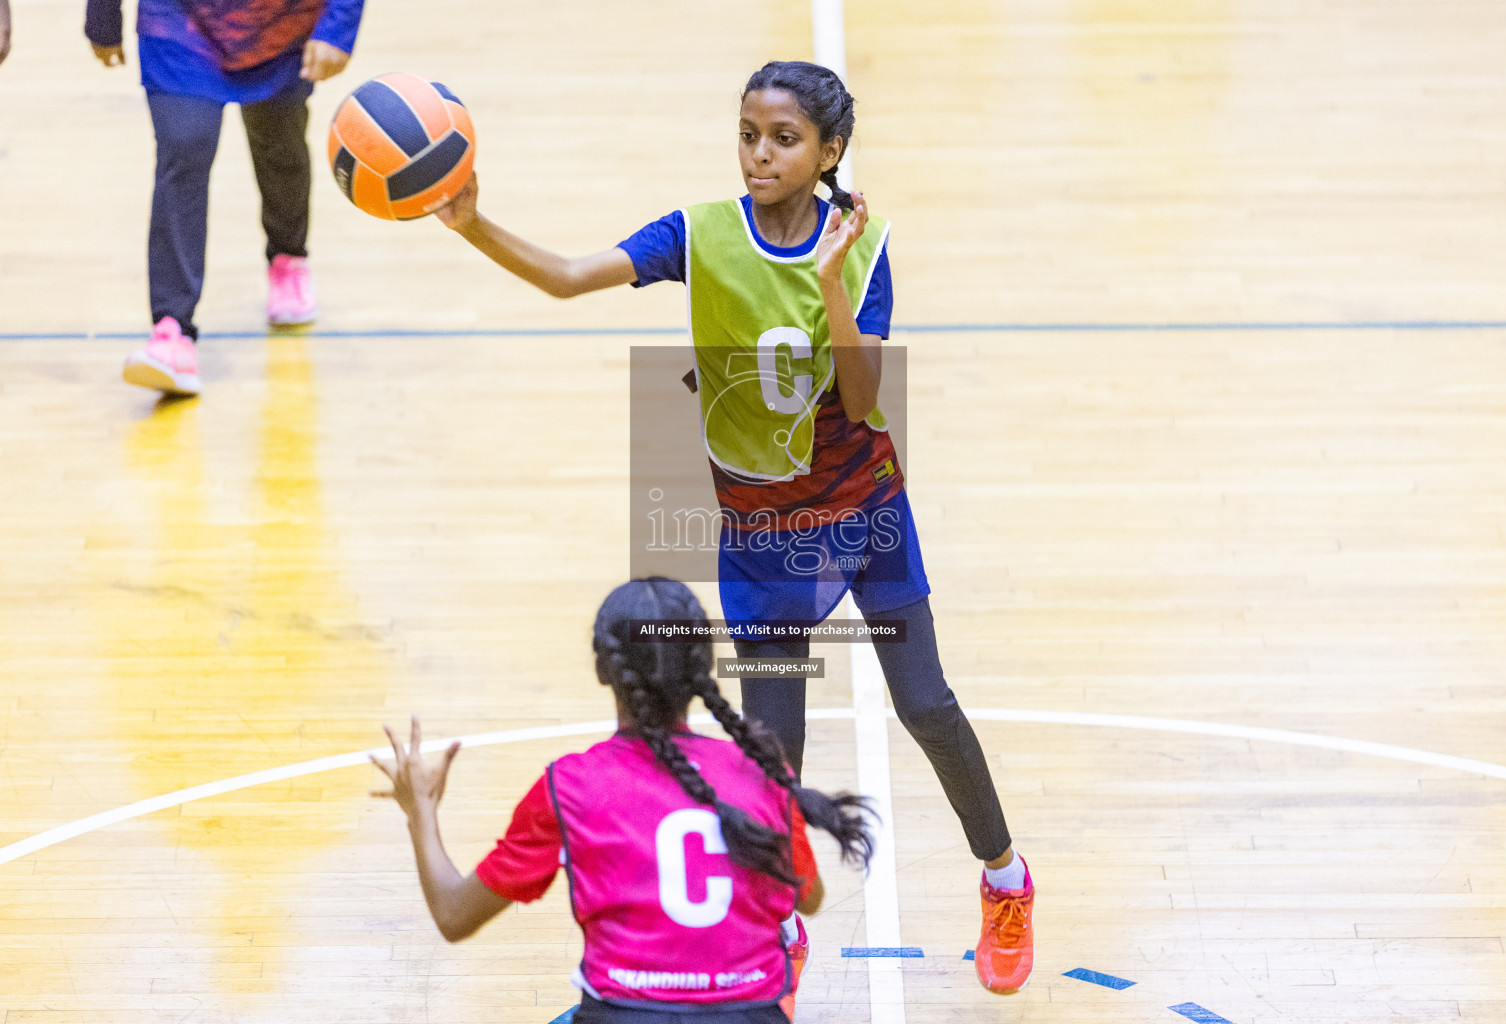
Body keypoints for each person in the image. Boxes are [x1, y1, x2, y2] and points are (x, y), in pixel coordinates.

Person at [430, 59, 1036, 995]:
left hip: (863, 518)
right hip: (760, 535)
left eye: (785, 140)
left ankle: (1006, 878)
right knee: (771, 749)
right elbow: (567, 277)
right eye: (749, 134)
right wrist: (473, 227)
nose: (761, 154)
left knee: (925, 705)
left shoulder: (862, 247)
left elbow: (868, 399)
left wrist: (832, 281)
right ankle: (781, 922)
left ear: (829, 152)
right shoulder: (700, 235)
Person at [370, 578, 876, 1023]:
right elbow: (808, 897)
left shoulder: (571, 786)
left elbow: (454, 917)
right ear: (701, 668)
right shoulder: (759, 774)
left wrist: (422, 814)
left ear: (602, 671)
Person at [84, 0, 365, 396]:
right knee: (184, 146)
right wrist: (103, 13)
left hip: (282, 22)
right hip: (179, 23)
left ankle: (288, 256)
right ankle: (172, 331)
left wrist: (337, 27)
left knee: (278, 141)